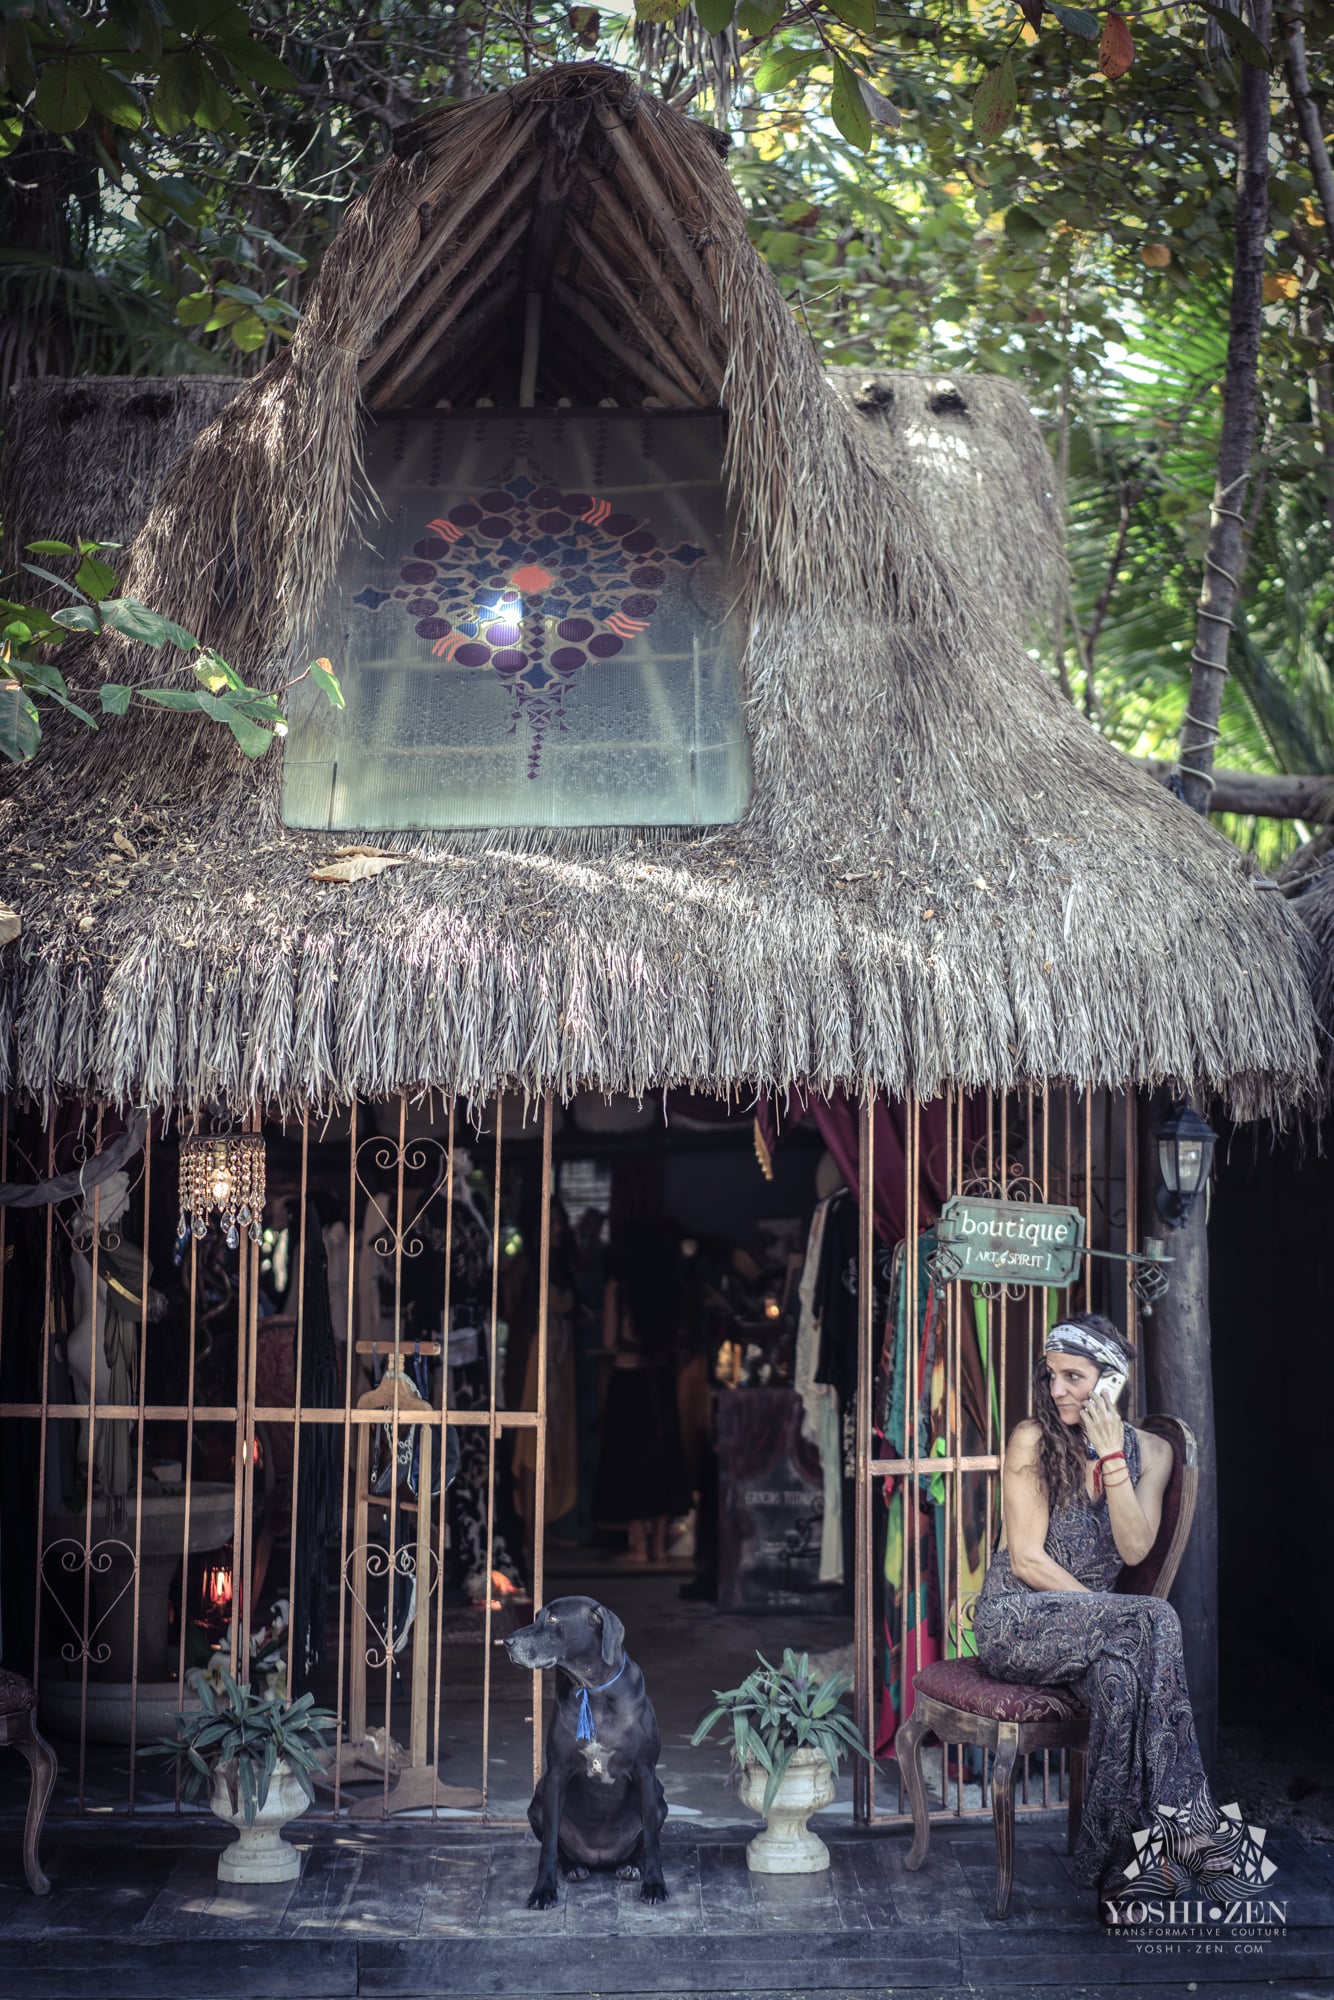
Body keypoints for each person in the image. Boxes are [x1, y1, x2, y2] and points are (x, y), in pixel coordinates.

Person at [974, 1312, 1233, 1902]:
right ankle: (1194, 1831)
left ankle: (1117, 1874)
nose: (1058, 1389)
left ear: (1112, 1380)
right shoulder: (1031, 1440)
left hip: (1104, 1636)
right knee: (1153, 1619)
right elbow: (1027, 1562)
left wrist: (1113, 1456)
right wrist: (1112, 1616)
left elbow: (1136, 1546)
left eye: (1074, 1376)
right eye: (1052, 1376)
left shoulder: (1154, 1454)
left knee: (1122, 1680)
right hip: (1019, 1620)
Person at [592, 1218, 690, 1564]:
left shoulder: (620, 1287)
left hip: (628, 1379)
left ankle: (638, 1544)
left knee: (631, 1463)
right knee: (663, 1463)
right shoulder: (669, 1285)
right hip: (661, 1379)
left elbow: (608, 1340)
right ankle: (660, 1545)